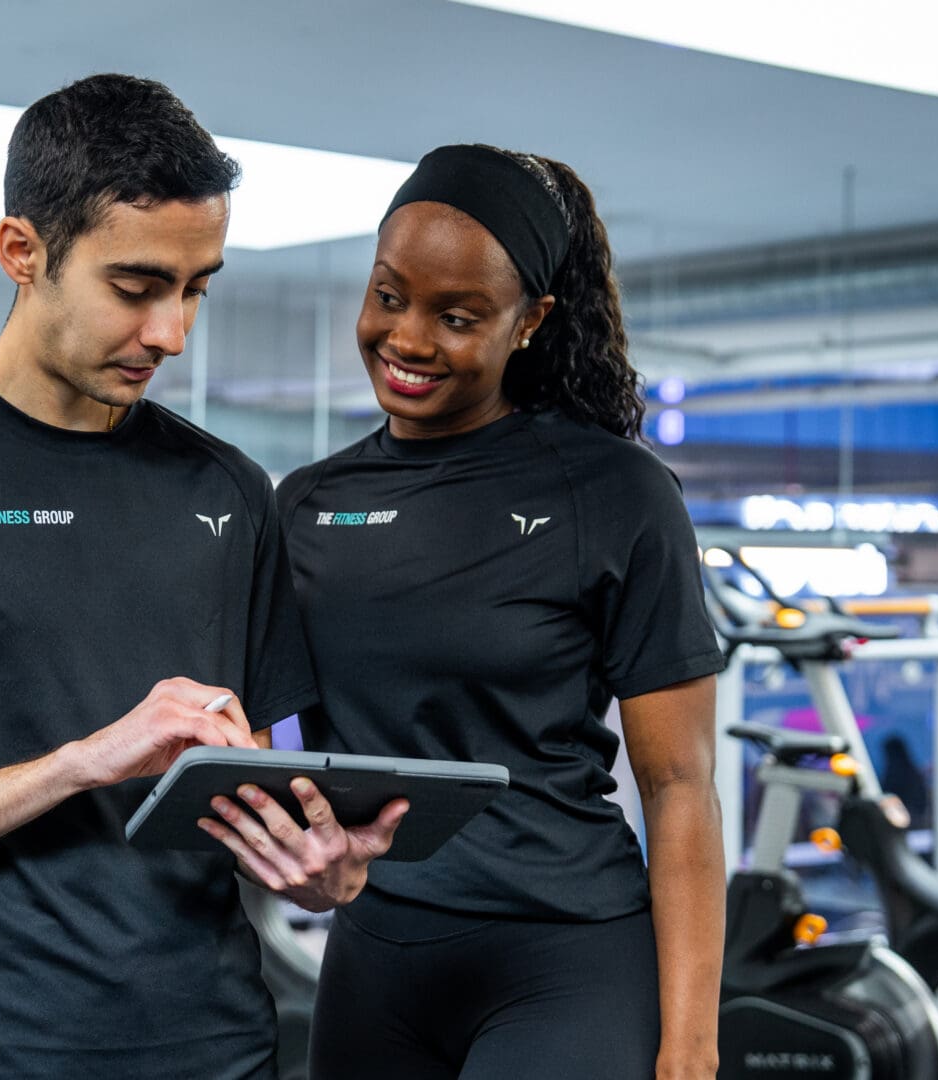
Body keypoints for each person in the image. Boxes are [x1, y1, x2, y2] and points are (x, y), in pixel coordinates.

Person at [0, 74, 398, 1079]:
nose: (171, 333)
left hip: (211, 1048)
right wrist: (81, 763)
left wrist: (318, 872)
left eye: (196, 289)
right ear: (22, 252)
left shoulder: (230, 492)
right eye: (136, 288)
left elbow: (266, 808)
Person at [261, 144, 728, 1079]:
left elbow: (680, 784)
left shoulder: (616, 493)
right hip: (374, 954)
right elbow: (269, 741)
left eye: (457, 316)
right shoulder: (309, 503)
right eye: (389, 296)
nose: (407, 338)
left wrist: (692, 1047)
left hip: (564, 957)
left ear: (530, 322)